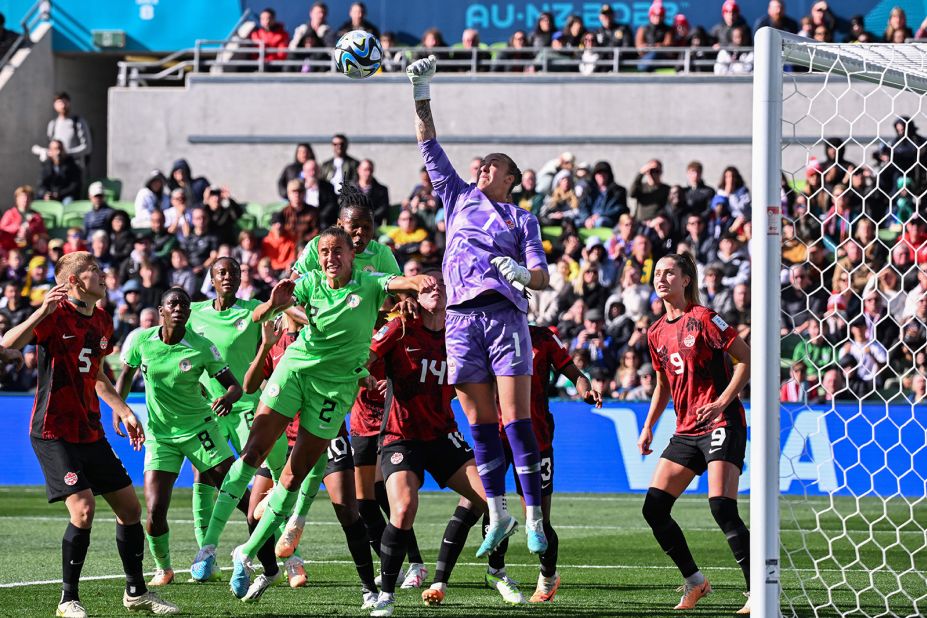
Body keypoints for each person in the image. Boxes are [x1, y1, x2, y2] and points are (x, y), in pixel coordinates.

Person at [189, 226, 433, 606]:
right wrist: (275, 304)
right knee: (253, 455)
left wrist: (423, 282)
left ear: (353, 254)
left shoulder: (370, 284)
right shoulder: (311, 283)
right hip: (294, 373)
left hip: (333, 392)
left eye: (337, 250)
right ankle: (208, 548)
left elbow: (403, 282)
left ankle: (247, 552)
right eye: (324, 252)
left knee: (294, 477)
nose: (330, 257)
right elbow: (259, 314)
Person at [407, 55, 552, 557]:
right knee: (479, 423)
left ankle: (534, 516)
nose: (484, 165)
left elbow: (544, 276)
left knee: (515, 418)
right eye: (483, 162)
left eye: (497, 164)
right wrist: (421, 91)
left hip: (503, 315)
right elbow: (428, 143)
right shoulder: (458, 197)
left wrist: (522, 274)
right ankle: (498, 512)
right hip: (460, 319)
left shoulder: (521, 219)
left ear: (512, 178)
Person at [1, 252, 177, 617]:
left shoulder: (102, 321)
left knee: (130, 508)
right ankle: (68, 600)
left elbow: (96, 375)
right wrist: (40, 311)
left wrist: (124, 409)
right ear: (74, 282)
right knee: (83, 509)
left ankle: (135, 592)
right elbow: (7, 344)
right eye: (93, 270)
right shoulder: (54, 316)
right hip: (53, 431)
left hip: (89, 430)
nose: (101, 273)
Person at [364, 273, 488, 615]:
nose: (434, 290)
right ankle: (385, 594)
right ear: (416, 294)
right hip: (400, 435)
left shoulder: (459, 334)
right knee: (403, 508)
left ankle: (449, 578)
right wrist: (368, 377)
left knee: (490, 499)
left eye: (440, 286)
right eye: (427, 286)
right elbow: (364, 356)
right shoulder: (400, 327)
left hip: (442, 433)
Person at [636, 252, 752, 614]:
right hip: (686, 430)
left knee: (721, 506)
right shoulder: (655, 332)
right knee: (653, 508)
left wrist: (720, 402)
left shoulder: (704, 319)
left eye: (670, 272)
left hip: (722, 421)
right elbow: (662, 385)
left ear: (686, 280)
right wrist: (648, 426)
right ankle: (695, 582)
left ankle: (757, 591)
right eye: (658, 273)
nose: (662, 278)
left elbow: (745, 359)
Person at [115, 287, 242, 588]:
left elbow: (234, 386)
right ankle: (164, 568)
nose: (179, 308)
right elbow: (124, 375)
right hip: (161, 437)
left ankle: (259, 552)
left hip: (201, 430)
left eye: (184, 304)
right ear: (160, 310)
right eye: (172, 303)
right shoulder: (140, 340)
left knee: (237, 490)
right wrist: (119, 410)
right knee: (155, 509)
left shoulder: (201, 346)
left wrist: (227, 397)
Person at [187, 257, 290, 598]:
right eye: (221, 273)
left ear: (241, 277)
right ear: (211, 279)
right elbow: (182, 348)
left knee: (257, 476)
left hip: (247, 405)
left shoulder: (250, 310)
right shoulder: (196, 313)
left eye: (233, 272)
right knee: (203, 473)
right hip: (211, 407)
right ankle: (207, 554)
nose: (228, 277)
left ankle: (288, 554)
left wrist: (274, 305)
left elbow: (263, 314)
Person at [482, 325, 602, 604]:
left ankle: (548, 576)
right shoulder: (486, 333)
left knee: (537, 520)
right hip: (498, 436)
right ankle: (496, 571)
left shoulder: (543, 338)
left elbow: (574, 373)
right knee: (492, 510)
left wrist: (585, 389)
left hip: (537, 440)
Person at [292, 187, 399, 278]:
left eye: (367, 227)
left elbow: (402, 290)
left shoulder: (381, 253)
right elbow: (293, 288)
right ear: (340, 225)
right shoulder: (318, 246)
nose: (361, 232)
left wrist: (407, 300)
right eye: (354, 226)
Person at [40, 92, 93, 173]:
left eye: (65, 102)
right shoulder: (53, 124)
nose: (63, 105)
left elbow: (87, 148)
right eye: (60, 102)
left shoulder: (78, 122)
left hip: (75, 167)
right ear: (54, 105)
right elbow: (51, 145)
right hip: (57, 168)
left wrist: (67, 154)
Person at [0, 185, 49, 253]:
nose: (25, 200)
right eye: (22, 197)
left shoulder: (36, 216)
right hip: (11, 248)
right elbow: (2, 230)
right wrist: (17, 228)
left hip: (30, 247)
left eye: (28, 197)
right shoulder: (10, 213)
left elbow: (43, 234)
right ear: (17, 199)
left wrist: (30, 233)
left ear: (31, 200)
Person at [352, 159, 390, 226]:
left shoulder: (381, 190)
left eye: (370, 170)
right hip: (352, 221)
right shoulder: (349, 188)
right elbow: (343, 205)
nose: (368, 173)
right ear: (359, 170)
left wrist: (368, 217)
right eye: (365, 169)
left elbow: (383, 209)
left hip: (372, 223)